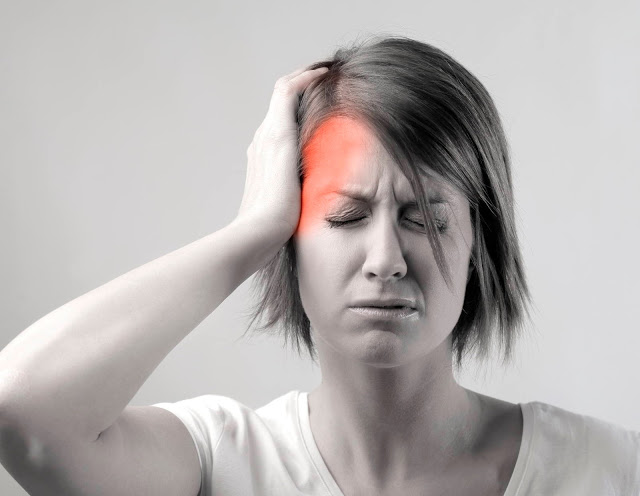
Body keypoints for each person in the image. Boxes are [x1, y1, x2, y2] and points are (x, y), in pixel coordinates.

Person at [0, 35, 638, 496]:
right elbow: (23, 410)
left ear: (481, 244)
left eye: (426, 218)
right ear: (292, 236)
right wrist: (251, 231)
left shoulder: (611, 469)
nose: (385, 260)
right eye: (346, 216)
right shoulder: (220, 462)